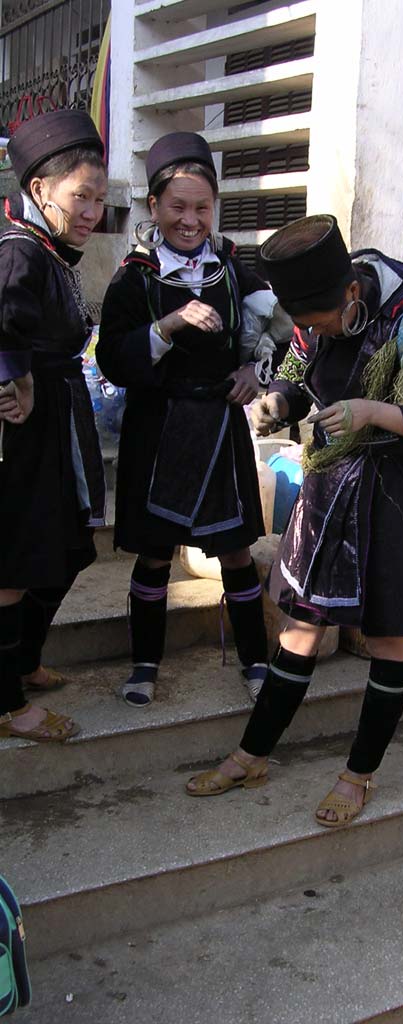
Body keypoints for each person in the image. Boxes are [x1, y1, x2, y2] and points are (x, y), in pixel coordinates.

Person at [186, 214, 403, 827]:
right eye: (303, 325)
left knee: (389, 641)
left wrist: (372, 412)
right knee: (300, 629)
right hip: (326, 495)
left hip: (387, 501)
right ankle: (251, 755)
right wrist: (277, 402)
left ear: (351, 293)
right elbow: (295, 379)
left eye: (317, 322)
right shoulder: (314, 327)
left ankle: (357, 776)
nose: (310, 334)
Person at [97, 132, 272, 707]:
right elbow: (113, 359)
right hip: (159, 431)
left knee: (236, 552)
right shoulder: (135, 277)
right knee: (155, 554)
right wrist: (167, 326)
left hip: (220, 427)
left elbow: (277, 331)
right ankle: (145, 665)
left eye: (202, 207)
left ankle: (255, 660)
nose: (190, 220)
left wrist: (255, 372)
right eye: (177, 207)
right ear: (154, 206)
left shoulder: (233, 270)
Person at [0, 109, 108, 742]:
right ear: (40, 190)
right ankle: (8, 704)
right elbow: (3, 320)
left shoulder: (48, 249)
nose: (92, 211)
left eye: (98, 199)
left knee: (66, 547)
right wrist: (16, 380)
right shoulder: (19, 250)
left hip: (58, 420)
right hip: (27, 433)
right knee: (14, 564)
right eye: (80, 197)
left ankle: (24, 660)